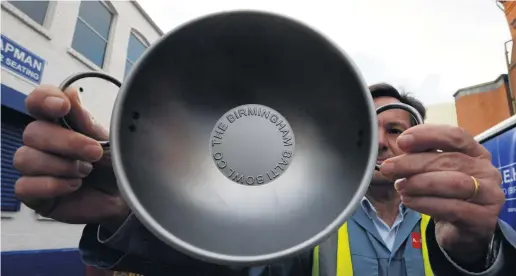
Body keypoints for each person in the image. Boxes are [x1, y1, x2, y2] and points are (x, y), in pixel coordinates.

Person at [13, 83, 516, 276]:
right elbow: (232, 262)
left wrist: (475, 248)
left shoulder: (455, 220)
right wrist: (132, 204)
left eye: (397, 129)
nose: (382, 142)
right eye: (365, 130)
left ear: (422, 143)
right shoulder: (305, 220)